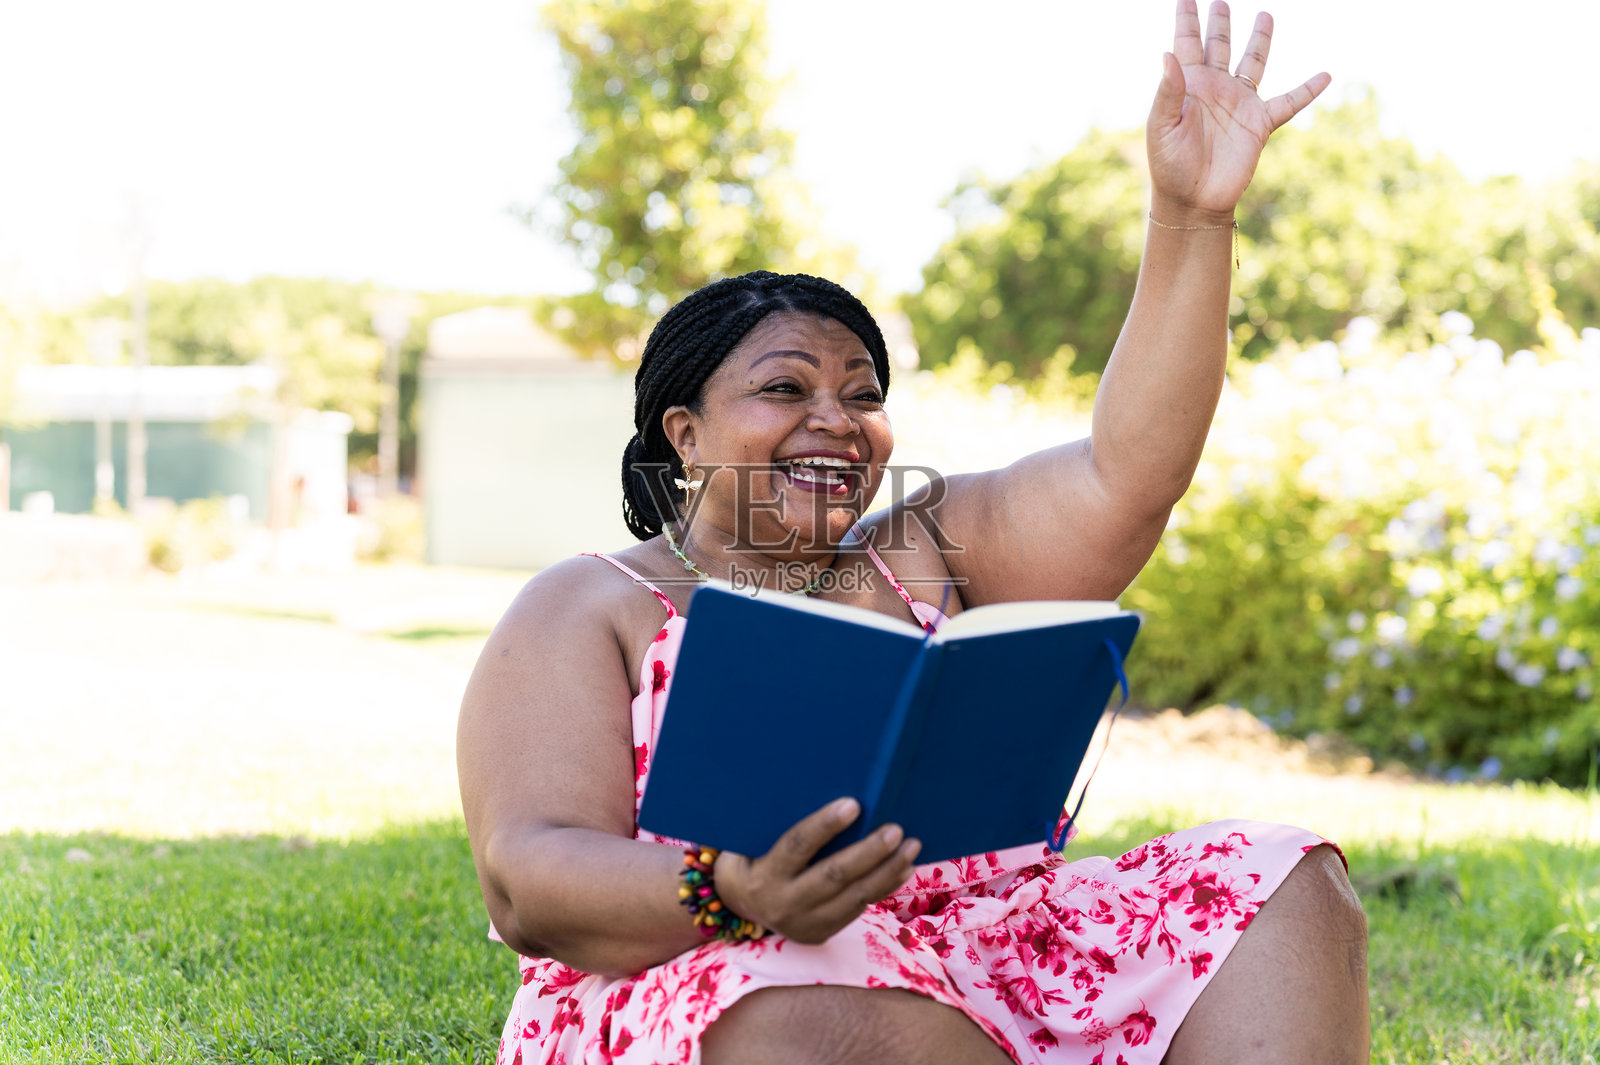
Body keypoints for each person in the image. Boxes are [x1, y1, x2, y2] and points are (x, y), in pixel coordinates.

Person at [456, 3, 1368, 1062]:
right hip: (723, 962)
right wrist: (733, 888)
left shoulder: (931, 547)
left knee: (1278, 876)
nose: (835, 418)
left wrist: (1191, 219)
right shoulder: (593, 605)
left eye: (862, 391)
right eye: (785, 387)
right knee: (809, 993)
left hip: (982, 959)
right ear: (684, 432)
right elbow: (527, 872)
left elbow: (1130, 474)